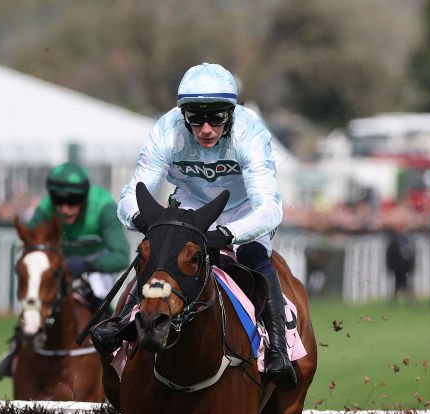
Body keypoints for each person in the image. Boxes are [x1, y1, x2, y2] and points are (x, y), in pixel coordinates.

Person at [90, 62, 296, 390]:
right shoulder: (167, 129)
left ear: (232, 112)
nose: (206, 129)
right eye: (195, 118)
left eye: (216, 117)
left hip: (243, 212)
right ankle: (123, 326)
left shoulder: (250, 130)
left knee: (255, 258)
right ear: (181, 112)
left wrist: (228, 235)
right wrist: (146, 222)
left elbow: (270, 208)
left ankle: (277, 350)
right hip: (189, 210)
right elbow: (132, 194)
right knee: (157, 257)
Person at [0, 161, 130, 378]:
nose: (65, 208)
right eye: (59, 201)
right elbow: (31, 247)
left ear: (84, 198)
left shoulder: (103, 205)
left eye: (73, 201)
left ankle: (116, 347)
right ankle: (18, 344)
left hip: (93, 269)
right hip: (58, 268)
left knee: (99, 293)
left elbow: (121, 256)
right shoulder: (46, 208)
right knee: (37, 289)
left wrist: (86, 264)